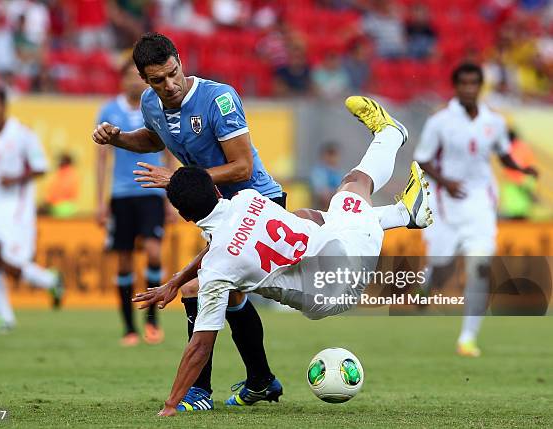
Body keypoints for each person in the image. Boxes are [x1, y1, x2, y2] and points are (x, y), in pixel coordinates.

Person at [133, 96, 432, 416]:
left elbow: (200, 345)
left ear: (185, 216)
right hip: (343, 260)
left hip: (336, 285)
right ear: (216, 191)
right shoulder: (250, 199)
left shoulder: (218, 269)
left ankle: (394, 147)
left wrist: (170, 404)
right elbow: (224, 246)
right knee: (346, 190)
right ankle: (398, 193)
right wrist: (179, 280)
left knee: (345, 194)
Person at [92, 32, 284, 410]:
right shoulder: (152, 102)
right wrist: (118, 139)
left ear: (180, 61)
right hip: (218, 212)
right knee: (229, 295)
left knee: (199, 288)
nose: (170, 85)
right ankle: (261, 380)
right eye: (158, 80)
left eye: (173, 73)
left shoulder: (219, 98)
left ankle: (198, 392)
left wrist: (180, 181)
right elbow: (154, 139)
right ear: (144, 80)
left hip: (256, 203)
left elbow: (242, 166)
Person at [414, 63, 538, 357]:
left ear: (480, 86)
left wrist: (521, 168)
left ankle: (467, 339)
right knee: (441, 264)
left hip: (481, 202)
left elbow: (503, 153)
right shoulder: (440, 121)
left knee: (479, 268)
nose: (469, 89)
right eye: (464, 84)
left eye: (474, 84)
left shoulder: (493, 122)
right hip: (446, 204)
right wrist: (446, 181)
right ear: (456, 87)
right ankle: (428, 281)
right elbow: (422, 159)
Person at [0, 86, 64, 334]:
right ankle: (4, 317)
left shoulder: (22, 134)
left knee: (12, 262)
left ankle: (50, 280)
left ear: (4, 106)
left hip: (17, 206)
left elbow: (41, 167)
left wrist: (16, 179)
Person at [96, 60, 169, 346]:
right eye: (127, 77)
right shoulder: (108, 110)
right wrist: (101, 201)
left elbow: (168, 150)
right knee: (124, 261)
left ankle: (151, 320)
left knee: (153, 252)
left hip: (152, 190)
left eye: (135, 77)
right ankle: (128, 328)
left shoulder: (153, 107)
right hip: (121, 194)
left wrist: (171, 194)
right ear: (121, 81)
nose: (132, 82)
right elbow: (101, 158)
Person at [310, 142, 344, 210]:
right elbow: (322, 193)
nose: (333, 158)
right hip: (321, 208)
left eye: (335, 155)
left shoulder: (339, 173)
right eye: (330, 154)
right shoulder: (319, 172)